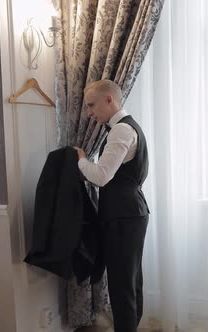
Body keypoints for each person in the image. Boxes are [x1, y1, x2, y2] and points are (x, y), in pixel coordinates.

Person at [73, 79, 150, 332]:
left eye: (92, 105)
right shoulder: (128, 127)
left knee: (121, 284)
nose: (89, 113)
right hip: (130, 212)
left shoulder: (121, 130)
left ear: (110, 100)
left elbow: (102, 176)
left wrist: (81, 160)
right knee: (129, 280)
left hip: (123, 215)